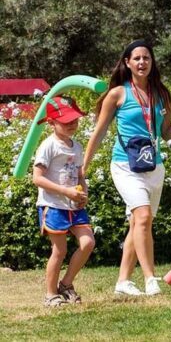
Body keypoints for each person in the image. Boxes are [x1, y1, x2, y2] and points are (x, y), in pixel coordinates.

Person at [82, 39, 171, 296]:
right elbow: (99, 132)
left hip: (154, 166)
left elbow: (166, 133)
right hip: (125, 166)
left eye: (146, 58)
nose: (142, 62)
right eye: (136, 58)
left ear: (152, 62)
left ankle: (123, 282)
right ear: (127, 63)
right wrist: (83, 168)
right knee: (144, 217)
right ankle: (151, 278)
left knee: (139, 223)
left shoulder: (161, 94)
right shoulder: (117, 94)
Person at [31, 96, 95, 306]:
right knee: (60, 251)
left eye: (74, 121)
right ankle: (50, 295)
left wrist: (82, 192)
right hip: (53, 205)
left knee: (88, 243)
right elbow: (37, 178)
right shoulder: (48, 146)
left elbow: (79, 174)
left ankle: (66, 284)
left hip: (74, 206)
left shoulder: (76, 146)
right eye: (66, 121)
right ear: (51, 123)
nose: (72, 125)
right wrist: (65, 192)